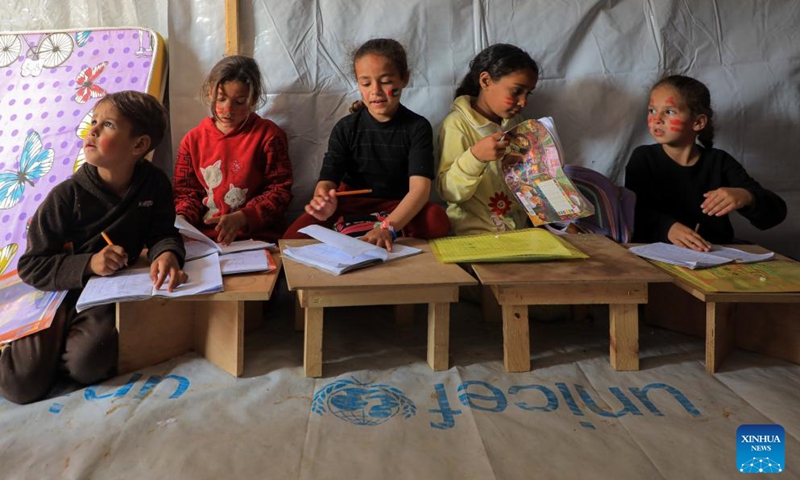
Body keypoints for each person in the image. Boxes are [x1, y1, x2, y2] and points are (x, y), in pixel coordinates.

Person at [4, 91, 187, 405]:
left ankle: (59, 356)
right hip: (55, 291)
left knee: (89, 363)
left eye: (108, 125)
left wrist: (166, 253)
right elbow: (32, 265)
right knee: (19, 384)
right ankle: (34, 351)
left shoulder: (154, 185)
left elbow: (162, 232)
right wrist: (89, 263)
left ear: (139, 145)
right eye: (94, 122)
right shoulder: (66, 197)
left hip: (104, 292)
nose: (93, 130)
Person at [284, 38, 449, 251]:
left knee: (437, 219)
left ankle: (373, 231)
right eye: (366, 83)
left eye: (386, 81)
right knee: (291, 237)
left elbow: (419, 190)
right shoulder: (345, 128)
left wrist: (388, 227)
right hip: (350, 207)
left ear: (404, 79)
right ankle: (360, 228)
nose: (376, 91)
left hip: (396, 207)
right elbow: (327, 181)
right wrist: (323, 201)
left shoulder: (417, 127)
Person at [625, 75, 787, 251]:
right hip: (658, 254)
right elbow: (635, 211)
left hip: (715, 255)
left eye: (669, 111)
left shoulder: (719, 162)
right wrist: (668, 228)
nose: (656, 119)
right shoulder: (643, 157)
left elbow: (775, 214)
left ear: (698, 122)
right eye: (652, 111)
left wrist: (746, 196)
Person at [173, 55, 293, 245]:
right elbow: (186, 193)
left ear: (253, 98)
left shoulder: (269, 136)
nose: (227, 109)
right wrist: (183, 218)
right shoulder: (193, 140)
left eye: (239, 102)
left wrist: (244, 217)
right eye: (221, 99)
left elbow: (279, 191)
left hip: (256, 238)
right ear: (210, 92)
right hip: (205, 240)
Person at [436, 43, 540, 236]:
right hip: (475, 234)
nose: (523, 102)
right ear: (485, 81)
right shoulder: (457, 125)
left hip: (520, 231)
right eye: (517, 91)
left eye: (528, 93)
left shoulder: (516, 122)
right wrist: (475, 157)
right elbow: (448, 191)